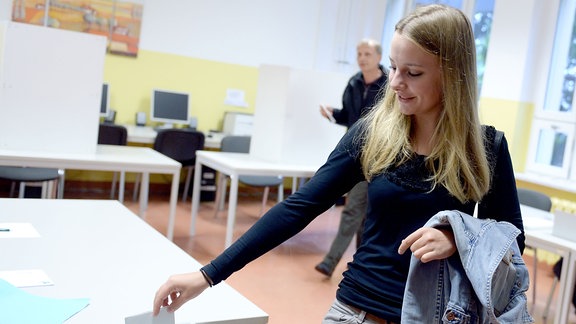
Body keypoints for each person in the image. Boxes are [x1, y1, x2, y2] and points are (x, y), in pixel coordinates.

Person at [153, 5, 527, 323]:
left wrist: (456, 238)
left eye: (412, 73)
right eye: (393, 67)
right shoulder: (373, 133)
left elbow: (512, 236)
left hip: (441, 313)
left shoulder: (486, 147)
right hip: (356, 309)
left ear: (452, 75)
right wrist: (207, 275)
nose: (395, 82)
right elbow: (298, 208)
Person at [316, 38, 388, 277]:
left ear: (378, 57)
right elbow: (349, 116)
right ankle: (337, 262)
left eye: (367, 53)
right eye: (359, 53)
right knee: (355, 210)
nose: (362, 57)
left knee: (368, 213)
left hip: (383, 156)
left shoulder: (390, 84)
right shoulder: (354, 82)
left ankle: (356, 264)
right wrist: (333, 115)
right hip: (356, 155)